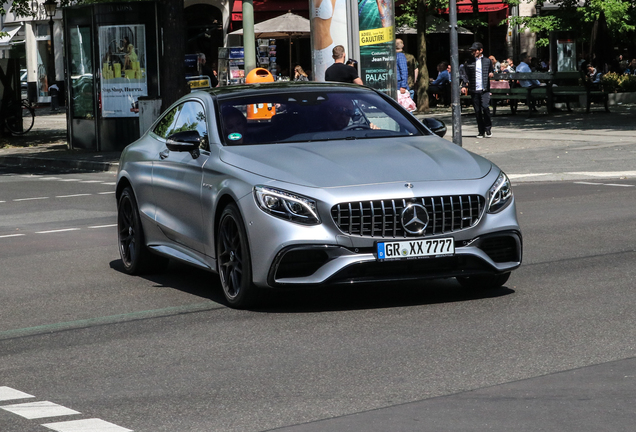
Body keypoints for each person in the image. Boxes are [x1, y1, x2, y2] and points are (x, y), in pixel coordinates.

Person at [461, 42, 494, 138]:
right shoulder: (469, 62)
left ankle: (488, 128)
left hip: (485, 89)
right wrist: (464, 86)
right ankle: (481, 131)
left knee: (485, 107)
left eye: (475, 50)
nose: (473, 52)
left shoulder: (487, 61)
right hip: (474, 89)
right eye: (472, 50)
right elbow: (465, 75)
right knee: (477, 111)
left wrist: (491, 73)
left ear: (481, 50)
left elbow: (491, 70)